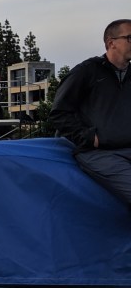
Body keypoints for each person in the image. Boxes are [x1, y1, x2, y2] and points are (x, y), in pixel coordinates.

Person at [51, 19, 131, 210]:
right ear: (111, 42)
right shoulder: (86, 72)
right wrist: (88, 138)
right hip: (99, 154)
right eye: (130, 38)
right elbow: (59, 113)